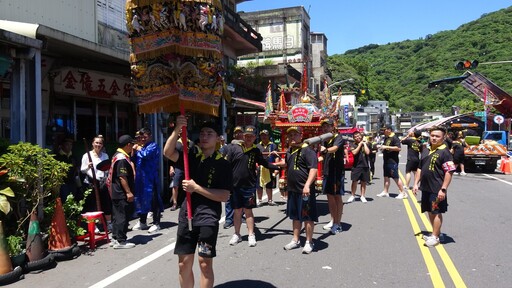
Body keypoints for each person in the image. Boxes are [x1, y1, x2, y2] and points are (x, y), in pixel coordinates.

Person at [163, 116, 232, 288]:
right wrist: (178, 128)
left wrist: (196, 188)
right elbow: (168, 152)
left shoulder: (223, 164)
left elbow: (224, 196)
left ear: (218, 138)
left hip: (208, 218)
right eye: (202, 133)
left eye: (210, 133)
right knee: (183, 263)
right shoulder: (191, 154)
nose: (204, 136)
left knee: (204, 263)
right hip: (187, 215)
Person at [224, 125, 279, 247]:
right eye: (246, 136)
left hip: (249, 186)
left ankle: (251, 234)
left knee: (248, 211)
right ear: (243, 136)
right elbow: (226, 165)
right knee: (237, 211)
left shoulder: (255, 150)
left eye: (251, 136)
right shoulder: (234, 148)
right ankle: (237, 234)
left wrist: (278, 166)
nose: (248, 138)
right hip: (235, 186)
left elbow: (264, 163)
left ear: (255, 137)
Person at [275, 126, 318, 254]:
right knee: (295, 216)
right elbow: (287, 163)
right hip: (293, 189)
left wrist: (307, 185)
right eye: (290, 135)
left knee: (307, 216)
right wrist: (273, 164)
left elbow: (313, 169)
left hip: (304, 190)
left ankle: (309, 241)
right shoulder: (290, 150)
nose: (292, 137)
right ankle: (295, 239)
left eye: (295, 134)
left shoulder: (308, 151)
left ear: (301, 135)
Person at [413, 126, 455, 247]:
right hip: (425, 187)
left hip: (436, 189)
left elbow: (449, 172)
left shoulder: (445, 152)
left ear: (443, 137)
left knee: (436, 211)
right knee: (430, 211)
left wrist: (443, 189)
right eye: (432, 136)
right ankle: (435, 233)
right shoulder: (426, 150)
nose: (434, 138)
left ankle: (435, 237)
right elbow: (420, 168)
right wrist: (416, 183)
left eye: (437, 136)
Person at [107, 135, 136, 249]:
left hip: (116, 192)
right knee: (122, 216)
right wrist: (128, 192)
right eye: (132, 144)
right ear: (128, 145)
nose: (133, 147)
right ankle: (121, 240)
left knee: (117, 216)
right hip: (121, 192)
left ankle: (115, 237)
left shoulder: (117, 155)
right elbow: (122, 177)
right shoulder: (122, 159)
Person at [132, 128, 164, 233]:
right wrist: (134, 150)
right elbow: (134, 160)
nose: (142, 139)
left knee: (154, 200)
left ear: (150, 136)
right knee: (141, 199)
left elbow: (145, 155)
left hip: (151, 177)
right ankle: (142, 221)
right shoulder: (141, 147)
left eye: (145, 137)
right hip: (141, 178)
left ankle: (156, 223)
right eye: (141, 137)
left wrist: (138, 149)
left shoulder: (153, 146)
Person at [318, 118, 345, 234]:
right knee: (329, 197)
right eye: (323, 126)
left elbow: (334, 149)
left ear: (332, 127)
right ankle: (333, 220)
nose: (325, 128)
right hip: (327, 172)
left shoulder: (338, 137)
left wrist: (325, 150)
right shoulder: (325, 140)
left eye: (327, 126)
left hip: (337, 172)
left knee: (337, 197)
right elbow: (323, 155)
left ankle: (338, 223)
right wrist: (319, 158)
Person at [80, 135, 111, 216]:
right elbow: (82, 170)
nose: (98, 145)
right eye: (96, 142)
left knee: (105, 202)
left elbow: (107, 169)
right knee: (92, 204)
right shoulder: (87, 155)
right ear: (93, 144)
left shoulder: (105, 156)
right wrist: (88, 166)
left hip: (102, 183)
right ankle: (95, 224)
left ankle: (107, 223)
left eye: (100, 143)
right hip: (91, 183)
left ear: (102, 145)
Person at [221, 125, 244, 229]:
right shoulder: (228, 147)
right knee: (229, 199)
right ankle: (229, 219)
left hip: (243, 177)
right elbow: (220, 157)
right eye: (237, 133)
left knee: (242, 198)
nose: (238, 134)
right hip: (230, 177)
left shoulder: (247, 146)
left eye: (240, 132)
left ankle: (241, 216)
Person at [376, 126, 407, 199]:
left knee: (395, 177)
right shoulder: (387, 137)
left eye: (385, 130)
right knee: (386, 176)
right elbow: (385, 146)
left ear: (389, 130)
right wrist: (381, 147)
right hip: (386, 159)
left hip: (392, 160)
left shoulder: (394, 138)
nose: (383, 131)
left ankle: (403, 192)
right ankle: (385, 191)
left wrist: (387, 147)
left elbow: (398, 148)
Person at [256, 129, 279, 207]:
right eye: (262, 135)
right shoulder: (257, 146)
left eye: (265, 135)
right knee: (259, 185)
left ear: (268, 136)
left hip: (270, 167)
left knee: (270, 185)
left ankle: (270, 200)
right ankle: (259, 200)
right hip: (260, 168)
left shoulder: (273, 145)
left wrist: (276, 167)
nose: (264, 137)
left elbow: (276, 157)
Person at [348, 131, 371, 203]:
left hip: (365, 165)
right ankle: (352, 195)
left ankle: (363, 196)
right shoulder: (352, 144)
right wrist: (360, 145)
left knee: (363, 182)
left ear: (361, 136)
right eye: (355, 137)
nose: (358, 137)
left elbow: (368, 152)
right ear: (354, 138)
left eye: (358, 136)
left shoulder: (366, 144)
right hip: (356, 166)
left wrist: (364, 144)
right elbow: (354, 152)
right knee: (354, 181)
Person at [54, 137, 79, 201]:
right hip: (62, 183)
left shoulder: (73, 157)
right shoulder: (57, 157)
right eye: (67, 145)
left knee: (73, 200)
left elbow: (77, 168)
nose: (69, 146)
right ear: (62, 145)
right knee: (64, 200)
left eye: (71, 145)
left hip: (72, 182)